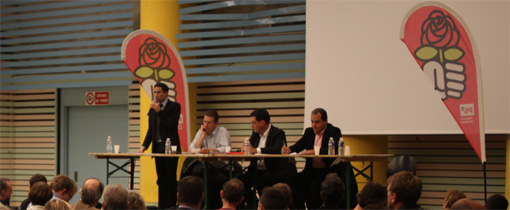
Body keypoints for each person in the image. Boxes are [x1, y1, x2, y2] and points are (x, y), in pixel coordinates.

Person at [281, 108, 342, 209]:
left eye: (317, 122)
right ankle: (307, 206)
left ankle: (316, 207)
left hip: (328, 170)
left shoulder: (333, 131)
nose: (314, 125)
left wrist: (316, 152)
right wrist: (288, 149)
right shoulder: (309, 132)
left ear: (325, 121)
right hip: (311, 170)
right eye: (312, 122)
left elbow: (336, 150)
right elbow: (299, 145)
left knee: (315, 185)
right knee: (293, 182)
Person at [137, 82, 181, 209]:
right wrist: (144, 147)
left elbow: (171, 124)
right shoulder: (152, 108)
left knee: (170, 179)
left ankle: (171, 206)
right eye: (154, 92)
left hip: (171, 149)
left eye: (159, 92)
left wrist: (160, 111)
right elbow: (151, 130)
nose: (156, 95)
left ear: (166, 93)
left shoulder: (174, 106)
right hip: (158, 148)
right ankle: (162, 206)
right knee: (161, 180)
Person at [245, 109, 297, 195]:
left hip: (273, 170)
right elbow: (250, 148)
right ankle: (253, 205)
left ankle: (265, 204)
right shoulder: (255, 133)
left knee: (263, 180)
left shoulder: (277, 133)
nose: (251, 125)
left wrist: (257, 150)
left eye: (254, 123)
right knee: (241, 182)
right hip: (256, 170)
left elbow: (277, 149)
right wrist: (244, 149)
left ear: (262, 122)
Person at [186, 109, 231, 208]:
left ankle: (208, 205)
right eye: (204, 122)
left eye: (209, 123)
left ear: (216, 124)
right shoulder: (202, 131)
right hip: (206, 166)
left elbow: (226, 149)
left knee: (200, 173)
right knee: (193, 172)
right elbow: (191, 149)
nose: (206, 125)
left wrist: (210, 150)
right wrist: (203, 136)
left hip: (222, 167)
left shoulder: (222, 131)